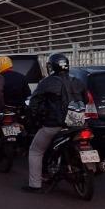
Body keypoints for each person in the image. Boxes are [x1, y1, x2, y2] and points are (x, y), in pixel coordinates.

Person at [23, 53, 86, 193]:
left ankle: (35, 185)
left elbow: (34, 103)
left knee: (35, 150)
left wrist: (34, 117)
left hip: (54, 124)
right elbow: (85, 99)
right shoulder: (78, 81)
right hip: (78, 124)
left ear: (51, 66)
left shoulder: (47, 82)